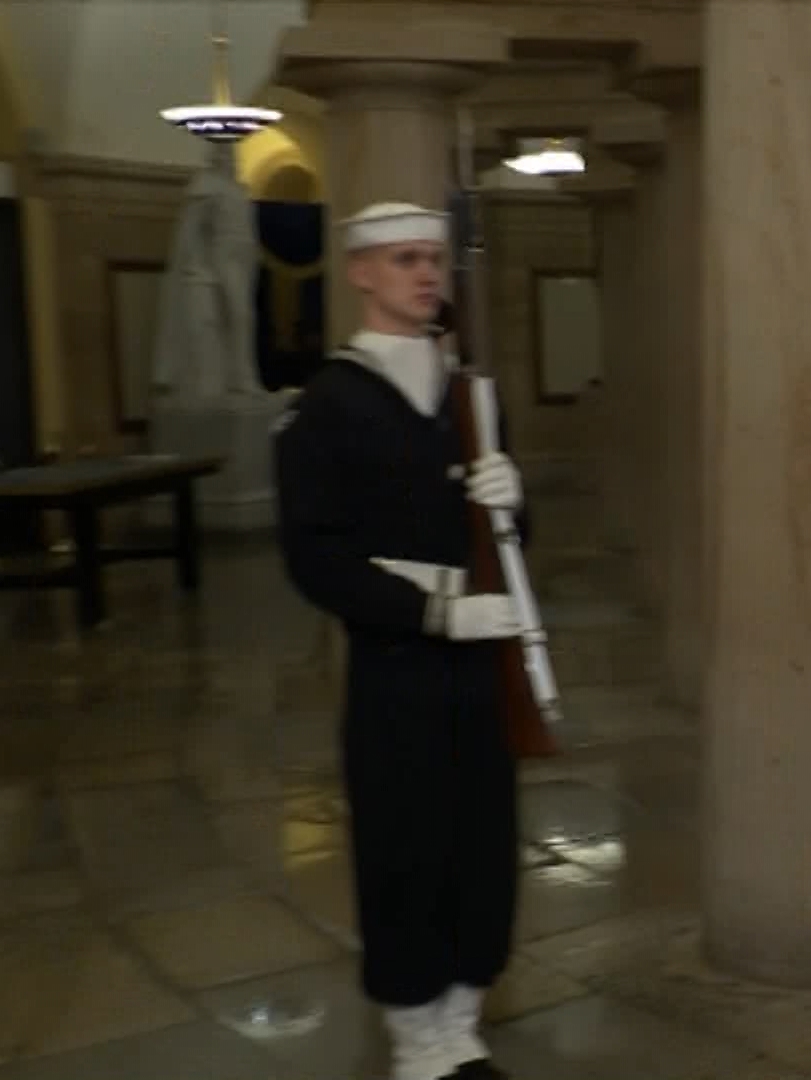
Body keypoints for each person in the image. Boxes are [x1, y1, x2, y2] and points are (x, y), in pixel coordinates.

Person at [273, 202, 525, 1080]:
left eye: (436, 261)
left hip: (479, 656)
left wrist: (510, 498)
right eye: (407, 259)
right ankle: (417, 1032)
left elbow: (509, 540)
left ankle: (464, 1013)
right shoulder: (330, 403)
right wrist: (431, 614)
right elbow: (314, 557)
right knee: (405, 839)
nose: (428, 275)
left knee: (482, 835)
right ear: (361, 272)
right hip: (398, 659)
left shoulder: (467, 395)